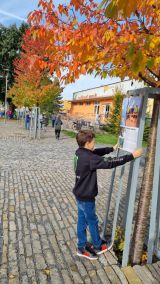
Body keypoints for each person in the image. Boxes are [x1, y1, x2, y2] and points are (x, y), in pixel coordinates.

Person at [73, 130, 142, 260]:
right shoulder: (89, 158)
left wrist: (112, 148)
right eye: (93, 141)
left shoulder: (80, 152)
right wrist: (131, 156)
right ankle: (98, 246)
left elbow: (96, 152)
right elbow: (110, 162)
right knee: (92, 221)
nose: (95, 143)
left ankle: (81, 246)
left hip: (79, 194)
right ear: (87, 143)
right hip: (87, 197)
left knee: (82, 221)